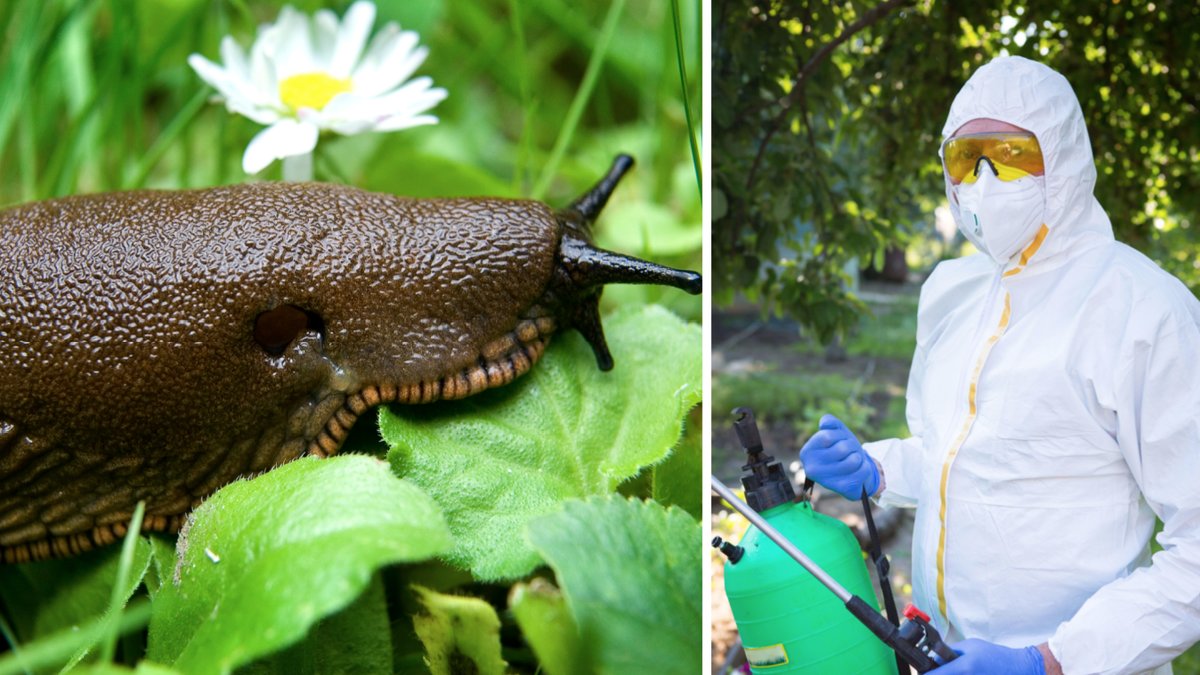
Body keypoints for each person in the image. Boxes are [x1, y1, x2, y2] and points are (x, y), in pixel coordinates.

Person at [799, 55, 1200, 675]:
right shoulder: (952, 293)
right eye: (965, 157)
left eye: (1010, 153)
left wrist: (1048, 662)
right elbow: (956, 457)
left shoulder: (1144, 310)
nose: (984, 177)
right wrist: (879, 467)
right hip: (939, 655)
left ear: (1062, 157)